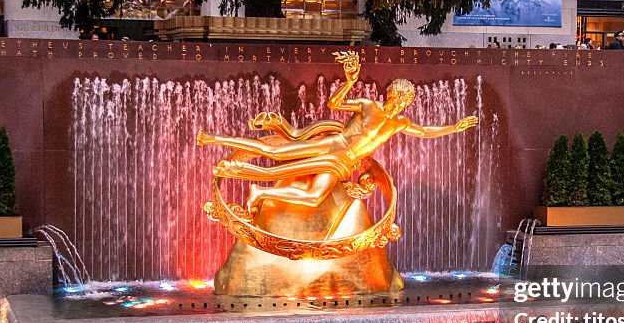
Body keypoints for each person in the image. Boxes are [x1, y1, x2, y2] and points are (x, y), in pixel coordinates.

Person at [198, 51, 477, 213]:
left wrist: (454, 127)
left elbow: (425, 131)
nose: (397, 104)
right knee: (276, 152)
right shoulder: (369, 105)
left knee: (313, 197)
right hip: (335, 144)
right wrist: (349, 81)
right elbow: (334, 103)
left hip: (345, 163)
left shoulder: (400, 123)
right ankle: (214, 139)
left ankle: (259, 192)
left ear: (406, 103)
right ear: (391, 94)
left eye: (402, 102)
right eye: (395, 98)